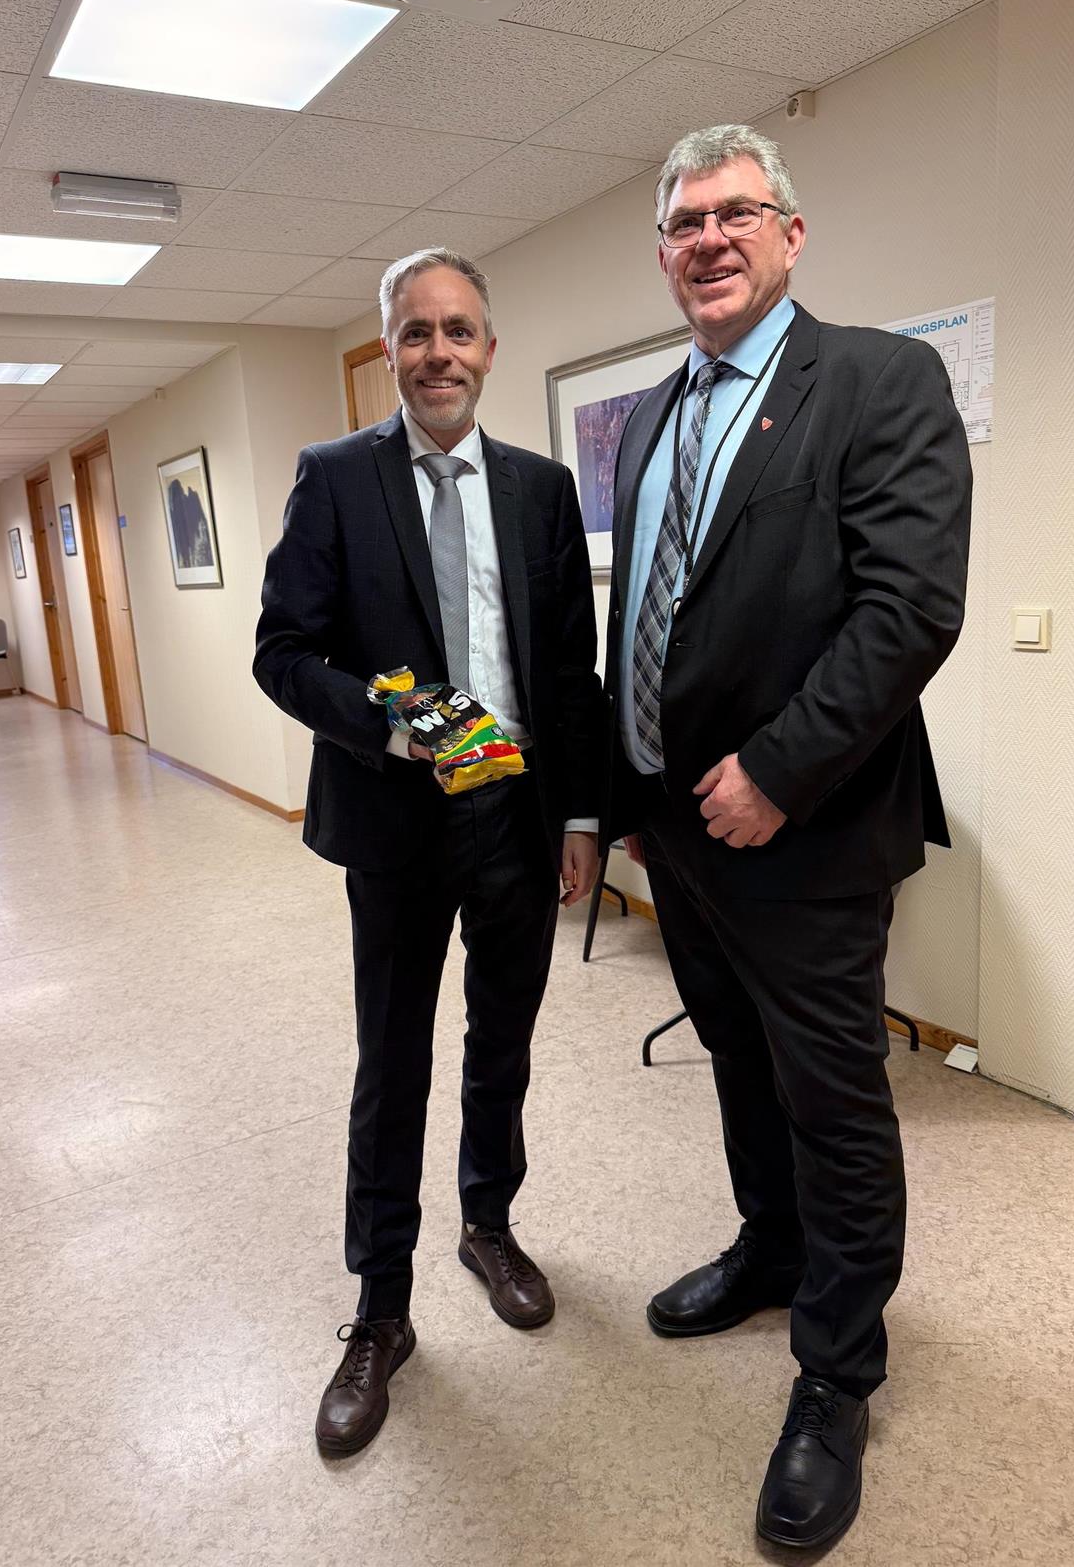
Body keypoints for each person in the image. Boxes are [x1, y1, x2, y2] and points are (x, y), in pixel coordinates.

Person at [604, 125, 970, 1547]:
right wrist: (632, 792)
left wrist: (776, 769)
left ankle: (838, 1371)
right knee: (737, 1059)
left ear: (791, 233)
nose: (708, 237)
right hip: (678, 832)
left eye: (736, 212)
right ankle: (770, 1247)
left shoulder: (879, 379)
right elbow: (654, 611)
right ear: (664, 253)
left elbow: (909, 607)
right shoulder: (650, 415)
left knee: (832, 1097)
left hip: (806, 829)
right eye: (684, 221)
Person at [255, 247, 601, 1456]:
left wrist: (580, 817)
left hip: (515, 809)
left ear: (489, 349)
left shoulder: (541, 489)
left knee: (502, 1042)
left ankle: (487, 1224)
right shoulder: (336, 478)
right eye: (416, 332)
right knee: (392, 1061)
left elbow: (569, 671)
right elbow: (283, 652)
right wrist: (390, 725)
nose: (438, 352)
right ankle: (381, 1310)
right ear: (390, 353)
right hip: (398, 817)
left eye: (458, 330)